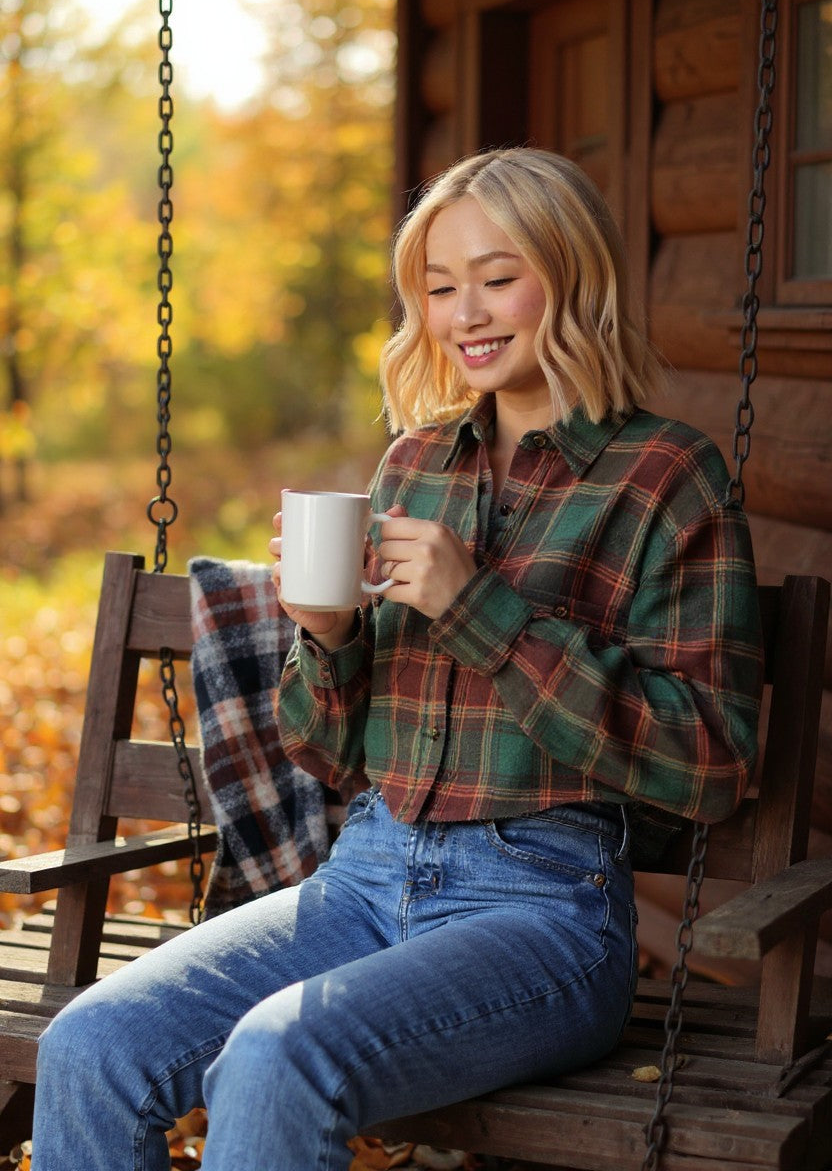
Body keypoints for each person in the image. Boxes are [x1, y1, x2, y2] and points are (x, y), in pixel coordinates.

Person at [30, 148, 763, 1171]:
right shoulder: (414, 463)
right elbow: (328, 758)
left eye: (497, 277)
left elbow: (711, 764)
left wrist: (480, 609)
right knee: (92, 1047)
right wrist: (325, 634)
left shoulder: (665, 477)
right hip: (364, 877)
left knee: (278, 1058)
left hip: (543, 913)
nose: (465, 312)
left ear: (573, 274)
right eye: (438, 287)